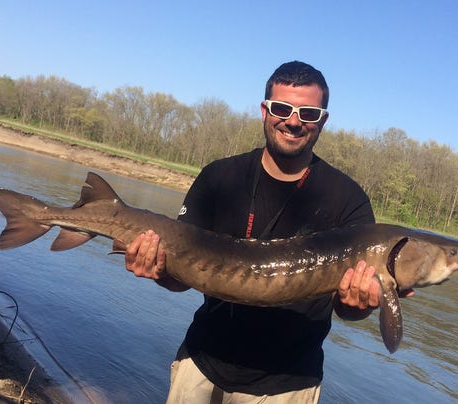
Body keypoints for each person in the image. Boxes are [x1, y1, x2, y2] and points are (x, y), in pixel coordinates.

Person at [125, 61, 380, 403]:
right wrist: (156, 268)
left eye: (308, 112)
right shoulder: (219, 178)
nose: (293, 121)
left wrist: (359, 305)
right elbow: (182, 277)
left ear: (322, 119)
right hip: (200, 365)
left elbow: (347, 309)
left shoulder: (349, 201)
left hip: (287, 385)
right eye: (281, 108)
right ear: (264, 111)